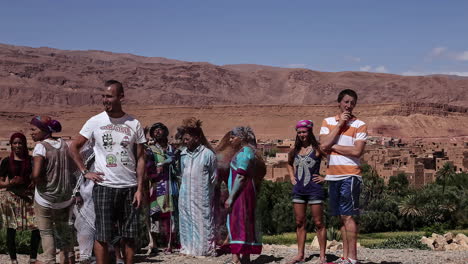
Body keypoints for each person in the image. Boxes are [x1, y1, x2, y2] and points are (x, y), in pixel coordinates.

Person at [69, 80, 146, 264]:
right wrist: (85, 171)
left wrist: (140, 188)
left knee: (129, 235)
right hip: (105, 186)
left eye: (109, 96)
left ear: (121, 97)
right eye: (103, 96)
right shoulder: (95, 121)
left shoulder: (134, 123)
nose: (105, 100)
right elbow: (74, 147)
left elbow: (142, 157)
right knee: (102, 235)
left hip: (129, 186)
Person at [319, 89, 367, 264]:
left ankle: (353, 258)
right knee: (341, 216)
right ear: (339, 102)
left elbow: (357, 151)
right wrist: (339, 126)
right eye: (346, 102)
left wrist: (333, 146)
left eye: (352, 103)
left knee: (348, 215)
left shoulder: (360, 124)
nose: (349, 105)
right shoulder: (328, 122)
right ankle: (345, 257)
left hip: (350, 175)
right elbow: (323, 145)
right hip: (332, 176)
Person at [30, 116, 75, 264]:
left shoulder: (41, 147)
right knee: (64, 230)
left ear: (44, 130)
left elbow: (36, 174)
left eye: (34, 129)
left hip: (45, 197)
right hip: (64, 197)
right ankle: (69, 259)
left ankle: (50, 260)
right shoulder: (64, 144)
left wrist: (35, 180)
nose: (31, 133)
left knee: (47, 232)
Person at [287, 120, 327, 264]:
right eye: (299, 132)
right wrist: (292, 176)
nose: (302, 135)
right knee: (299, 222)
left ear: (310, 132)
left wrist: (326, 177)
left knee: (318, 222)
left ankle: (322, 256)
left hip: (314, 190)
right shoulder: (295, 150)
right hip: (299, 190)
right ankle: (300, 255)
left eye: (304, 132)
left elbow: (333, 161)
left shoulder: (318, 149)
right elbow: (289, 163)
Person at [225, 127, 266, 264]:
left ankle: (235, 258)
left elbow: (240, 177)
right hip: (247, 192)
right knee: (246, 221)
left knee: (237, 221)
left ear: (241, 138)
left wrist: (231, 197)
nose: (230, 140)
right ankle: (245, 257)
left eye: (233, 137)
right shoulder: (248, 152)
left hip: (241, 193)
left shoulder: (244, 153)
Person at [177, 117, 217, 256]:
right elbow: (182, 173)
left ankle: (205, 250)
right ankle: (187, 248)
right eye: (184, 139)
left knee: (203, 221)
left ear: (197, 137)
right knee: (186, 220)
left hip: (202, 196)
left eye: (187, 139)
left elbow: (213, 178)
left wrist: (205, 192)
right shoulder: (183, 155)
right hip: (185, 196)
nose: (185, 141)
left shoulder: (208, 154)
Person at [0, 132, 41, 264]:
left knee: (36, 227)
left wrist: (32, 182)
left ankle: (33, 258)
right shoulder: (6, 162)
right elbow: (0, 182)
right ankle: (13, 259)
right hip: (11, 199)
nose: (18, 145)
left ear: (24, 145)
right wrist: (10, 183)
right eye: (15, 143)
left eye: (20, 143)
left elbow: (37, 177)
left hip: (29, 198)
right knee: (11, 229)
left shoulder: (31, 160)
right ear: (11, 145)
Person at [145, 122, 179, 254]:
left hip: (172, 184)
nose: (157, 132)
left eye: (160, 130)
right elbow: (149, 168)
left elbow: (178, 165)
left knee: (171, 214)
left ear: (165, 132)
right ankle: (154, 243)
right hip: (157, 186)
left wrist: (172, 163)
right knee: (155, 214)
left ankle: (171, 243)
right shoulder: (150, 150)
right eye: (155, 131)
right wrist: (159, 166)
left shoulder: (173, 149)